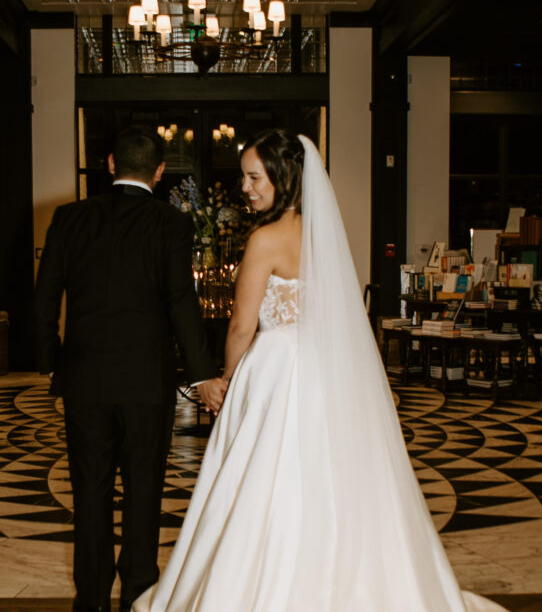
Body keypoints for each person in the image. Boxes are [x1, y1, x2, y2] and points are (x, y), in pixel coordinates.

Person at [133, 129, 507, 611]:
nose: (245, 187)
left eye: (253, 177)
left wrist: (228, 379)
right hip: (322, 372)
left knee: (265, 482)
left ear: (283, 177)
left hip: (273, 370)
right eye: (244, 177)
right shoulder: (322, 234)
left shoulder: (264, 239)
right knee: (325, 476)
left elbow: (242, 327)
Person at [34, 125, 227, 612]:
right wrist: (202, 374)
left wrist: (52, 359)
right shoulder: (171, 224)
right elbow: (182, 301)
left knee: (89, 494)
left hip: (85, 381)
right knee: (144, 492)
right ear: (159, 172)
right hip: (147, 383)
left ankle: (91, 599)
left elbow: (43, 298)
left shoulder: (69, 218)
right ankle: (139, 596)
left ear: (111, 164)